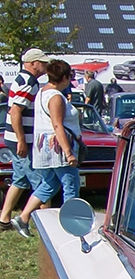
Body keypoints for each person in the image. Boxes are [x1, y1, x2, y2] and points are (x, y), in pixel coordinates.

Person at [15, 59, 81, 235]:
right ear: (65, 77)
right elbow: (57, 125)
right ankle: (71, 225)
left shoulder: (43, 93)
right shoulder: (55, 97)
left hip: (44, 146)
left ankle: (23, 218)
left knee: (50, 184)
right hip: (57, 148)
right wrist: (69, 153)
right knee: (70, 185)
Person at [2, 47, 47, 236]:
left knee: (19, 180)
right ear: (33, 64)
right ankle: (47, 225)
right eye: (42, 62)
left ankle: (4, 219)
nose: (45, 65)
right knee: (42, 183)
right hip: (22, 139)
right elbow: (16, 111)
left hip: (15, 137)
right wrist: (21, 139)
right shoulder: (28, 81)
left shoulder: (24, 79)